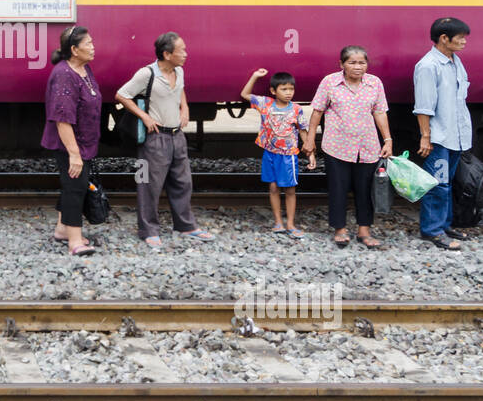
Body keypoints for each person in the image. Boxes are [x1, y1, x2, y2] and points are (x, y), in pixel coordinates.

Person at [115, 33, 216, 248]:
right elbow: (122, 95)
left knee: (183, 182)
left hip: (176, 135)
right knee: (148, 185)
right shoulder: (147, 74)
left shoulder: (178, 70)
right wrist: (144, 116)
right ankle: (148, 230)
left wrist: (185, 108)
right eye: (182, 50)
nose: (186, 54)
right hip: (154, 138)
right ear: (167, 54)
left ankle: (185, 225)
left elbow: (180, 90)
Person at [303, 46, 394, 247]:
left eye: (362, 62)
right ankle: (340, 229)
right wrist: (310, 139)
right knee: (338, 188)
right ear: (342, 64)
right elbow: (317, 112)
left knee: (365, 189)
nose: (357, 67)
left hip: (367, 146)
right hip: (336, 145)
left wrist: (387, 140)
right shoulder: (330, 82)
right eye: (352, 62)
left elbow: (380, 112)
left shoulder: (374, 83)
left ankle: (364, 230)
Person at [413, 17, 473, 251]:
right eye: (460, 37)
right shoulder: (428, 66)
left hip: (455, 136)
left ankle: (444, 224)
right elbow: (424, 106)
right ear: (444, 38)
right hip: (438, 136)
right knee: (438, 184)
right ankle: (432, 230)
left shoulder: (456, 62)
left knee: (448, 183)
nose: (464, 41)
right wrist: (425, 136)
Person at [44, 26, 103, 256]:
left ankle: (62, 230)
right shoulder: (64, 75)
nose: (92, 46)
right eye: (88, 43)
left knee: (74, 184)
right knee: (75, 189)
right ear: (74, 50)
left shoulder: (83, 69)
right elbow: (62, 119)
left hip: (84, 141)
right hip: (70, 143)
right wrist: (74, 154)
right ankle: (75, 242)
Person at [240, 68, 316, 237]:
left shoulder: (296, 109)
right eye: (284, 89)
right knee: (273, 187)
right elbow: (245, 94)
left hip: (288, 155)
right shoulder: (265, 103)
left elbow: (303, 131)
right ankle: (278, 222)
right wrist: (254, 75)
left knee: (290, 189)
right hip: (269, 153)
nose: (289, 93)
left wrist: (310, 152)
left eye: (291, 89)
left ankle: (290, 223)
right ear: (273, 91)